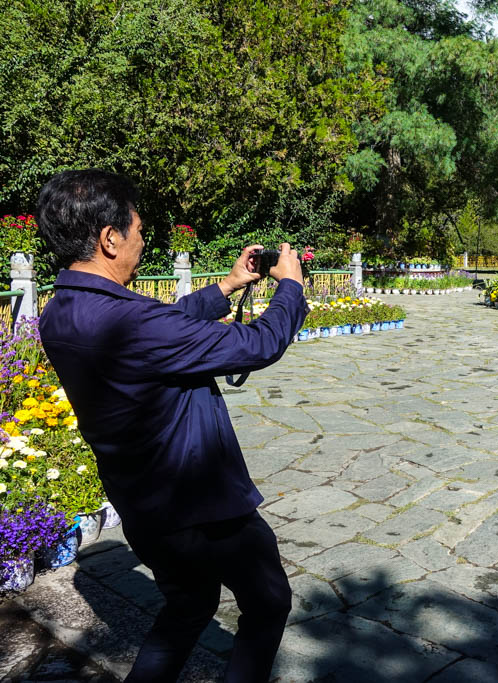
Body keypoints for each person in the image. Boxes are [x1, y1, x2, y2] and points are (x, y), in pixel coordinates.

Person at [36, 170, 308, 682]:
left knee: (188, 606)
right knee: (268, 603)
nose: (142, 240)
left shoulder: (60, 311)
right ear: (110, 238)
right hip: (205, 509)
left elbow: (165, 327)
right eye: (138, 230)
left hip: (142, 506)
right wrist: (290, 287)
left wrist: (227, 286)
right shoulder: (132, 322)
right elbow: (259, 344)